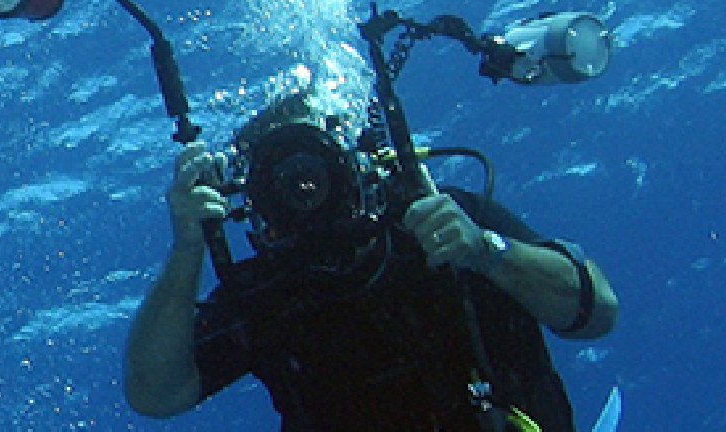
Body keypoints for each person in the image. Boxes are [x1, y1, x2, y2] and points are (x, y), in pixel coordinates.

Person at [124, 90, 620, 431]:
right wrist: (187, 249)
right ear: (253, 193)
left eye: (318, 166)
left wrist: (488, 252)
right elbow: (154, 394)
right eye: (282, 175)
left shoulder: (442, 224)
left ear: (356, 164)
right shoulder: (262, 292)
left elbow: (597, 311)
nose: (305, 189)